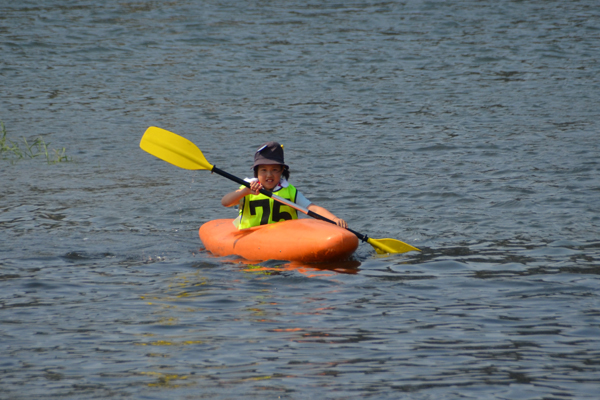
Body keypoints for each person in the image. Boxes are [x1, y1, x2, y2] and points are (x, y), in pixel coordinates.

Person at [221, 141, 348, 230]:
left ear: (282, 171)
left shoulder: (290, 191)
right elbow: (226, 202)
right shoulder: (249, 187)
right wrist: (245, 192)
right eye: (263, 170)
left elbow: (312, 209)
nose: (269, 175)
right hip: (252, 236)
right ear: (256, 172)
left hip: (284, 238)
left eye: (274, 170)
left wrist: (334, 219)